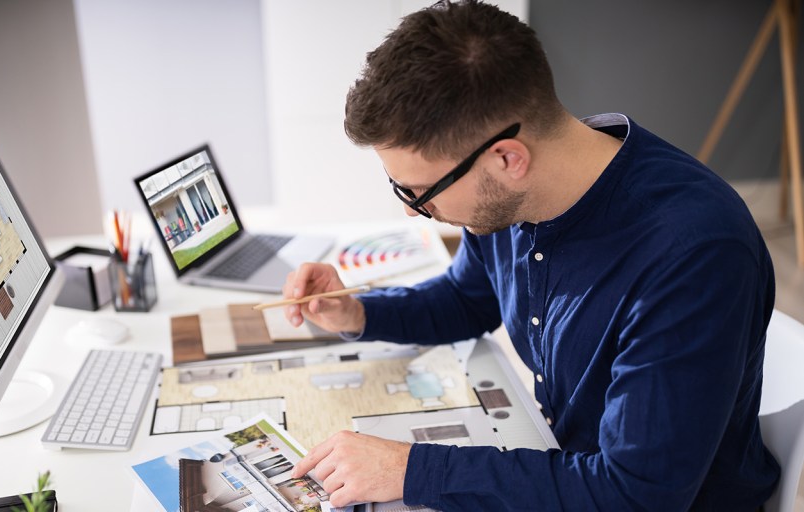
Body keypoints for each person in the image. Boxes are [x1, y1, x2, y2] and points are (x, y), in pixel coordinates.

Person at [282, 1, 780, 510]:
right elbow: (467, 297)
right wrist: (359, 312)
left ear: (506, 159)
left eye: (419, 192)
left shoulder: (691, 252)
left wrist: (410, 469)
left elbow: (635, 494)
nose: (415, 212)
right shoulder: (511, 196)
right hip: (562, 471)